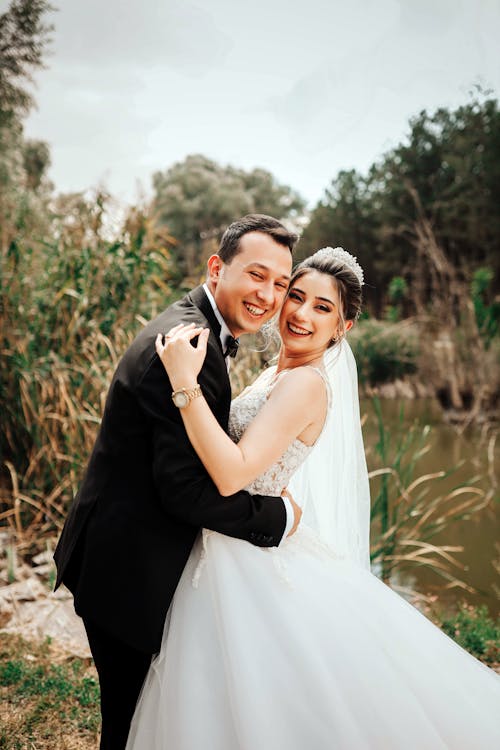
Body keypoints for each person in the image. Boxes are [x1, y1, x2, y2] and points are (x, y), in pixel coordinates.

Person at [126, 247, 500, 749]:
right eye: (295, 296)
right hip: (226, 541)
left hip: (246, 552)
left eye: (322, 307)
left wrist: (184, 385)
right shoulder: (276, 372)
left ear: (342, 326)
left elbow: (233, 473)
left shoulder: (305, 384)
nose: (301, 314)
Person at [53, 214, 303, 750]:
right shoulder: (191, 347)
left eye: (281, 284)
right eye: (256, 275)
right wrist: (275, 517)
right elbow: (185, 492)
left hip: (121, 549)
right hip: (126, 568)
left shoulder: (195, 334)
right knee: (129, 722)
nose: (268, 295)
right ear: (217, 269)